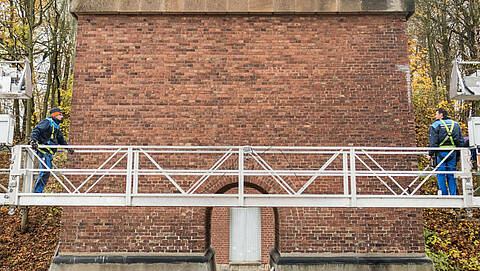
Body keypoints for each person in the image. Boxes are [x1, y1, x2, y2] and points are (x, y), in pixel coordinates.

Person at [29, 108, 73, 193]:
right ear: (55, 115)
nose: (62, 116)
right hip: (43, 151)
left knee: (47, 172)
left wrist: (68, 148)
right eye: (60, 114)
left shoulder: (56, 126)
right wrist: (33, 141)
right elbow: (36, 130)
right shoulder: (47, 122)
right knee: (45, 171)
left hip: (49, 153)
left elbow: (61, 139)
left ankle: (38, 192)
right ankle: (37, 192)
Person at [426, 108, 463, 195]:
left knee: (441, 174)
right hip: (452, 153)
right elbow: (460, 140)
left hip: (440, 153)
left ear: (441, 115)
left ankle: (444, 194)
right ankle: (453, 194)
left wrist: (430, 154)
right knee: (451, 174)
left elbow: (433, 142)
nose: (435, 116)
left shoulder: (435, 125)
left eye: (436, 114)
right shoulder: (456, 124)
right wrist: (459, 154)